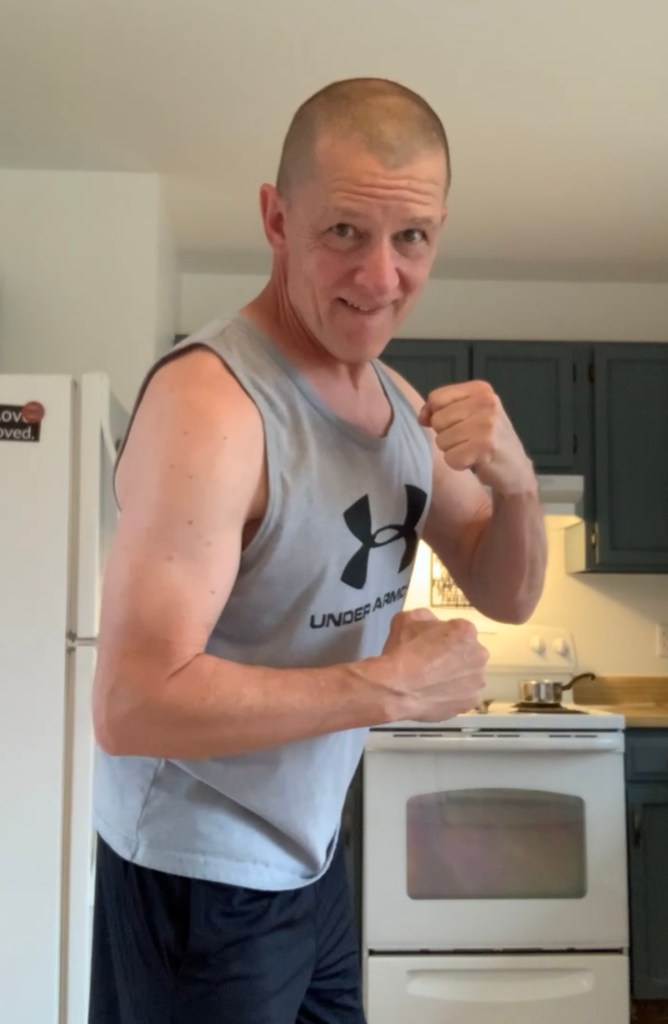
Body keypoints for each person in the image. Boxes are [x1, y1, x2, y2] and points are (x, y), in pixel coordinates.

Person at [88, 77, 547, 1024]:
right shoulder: (214, 405)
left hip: (311, 858)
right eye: (345, 231)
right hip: (196, 876)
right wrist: (389, 688)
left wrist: (519, 485)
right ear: (276, 219)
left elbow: (506, 591)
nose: (381, 278)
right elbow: (131, 704)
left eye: (410, 237)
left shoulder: (397, 406)